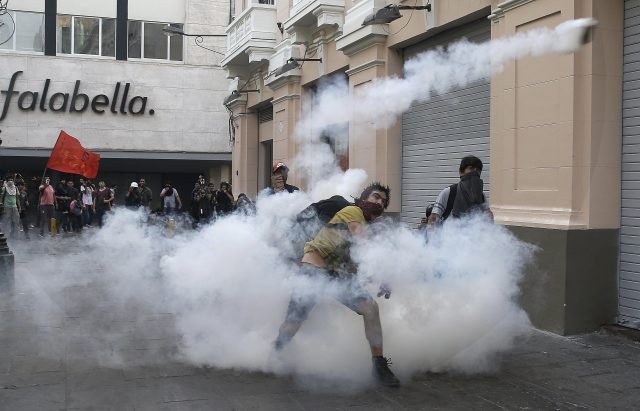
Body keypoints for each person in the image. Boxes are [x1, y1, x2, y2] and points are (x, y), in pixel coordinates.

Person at [273, 182, 400, 387]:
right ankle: (275, 352)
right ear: (363, 198)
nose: (380, 203)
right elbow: (362, 244)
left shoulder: (368, 225)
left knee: (370, 308)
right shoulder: (353, 211)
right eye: (376, 197)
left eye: (384, 202)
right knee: (294, 321)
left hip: (337, 275)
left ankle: (379, 365)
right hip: (313, 270)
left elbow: (358, 259)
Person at [426, 155, 493, 226]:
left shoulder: (481, 196)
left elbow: (488, 217)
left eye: (478, 170)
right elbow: (433, 219)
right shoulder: (449, 192)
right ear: (461, 172)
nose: (475, 172)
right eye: (471, 168)